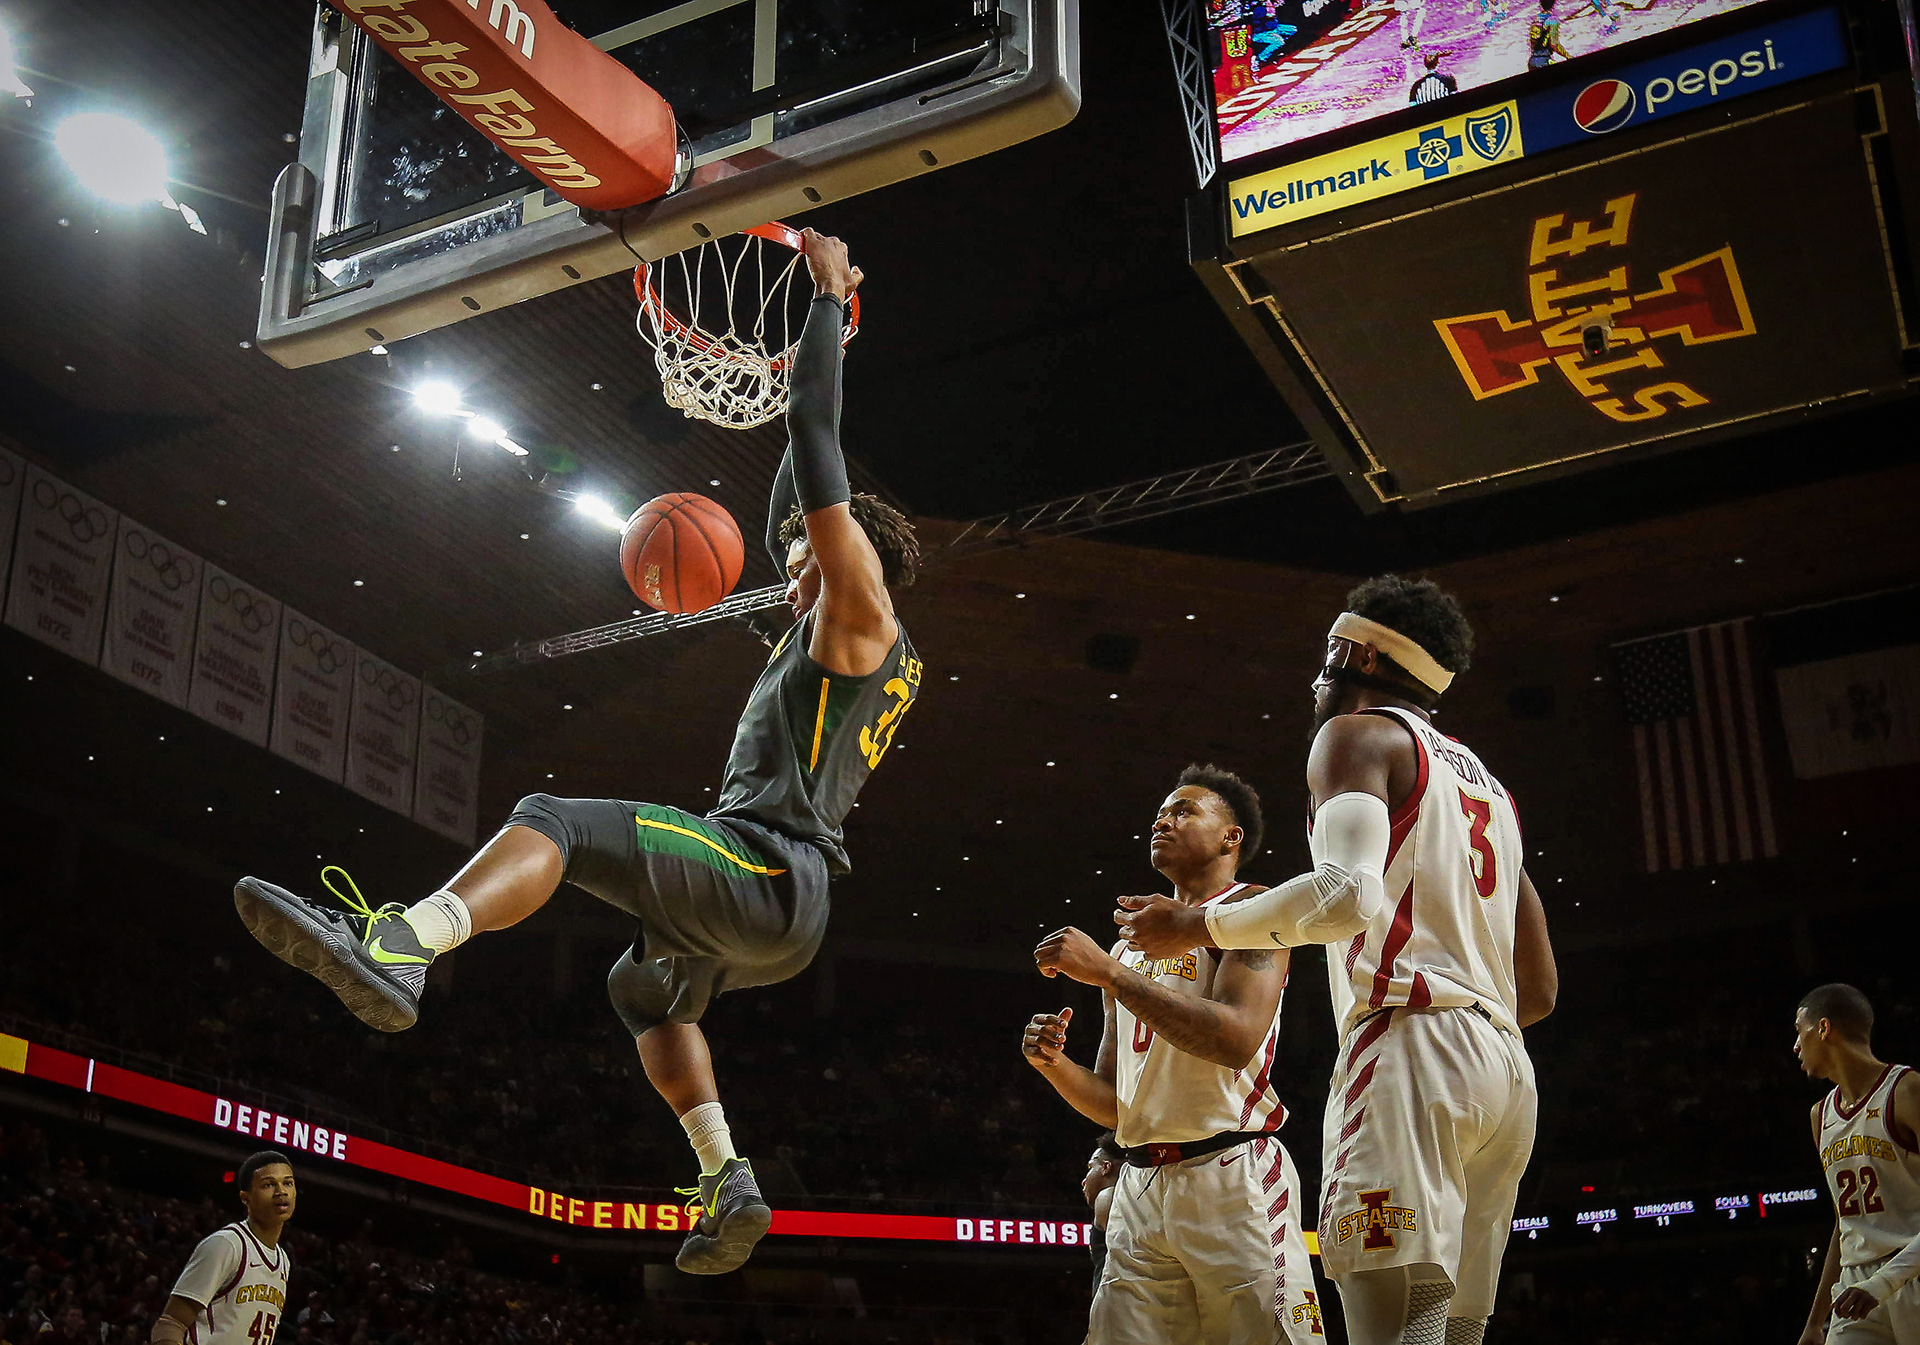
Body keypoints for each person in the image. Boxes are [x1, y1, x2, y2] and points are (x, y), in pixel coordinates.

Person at [233, 228, 923, 1276]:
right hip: (779, 905)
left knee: (550, 817)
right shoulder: (848, 636)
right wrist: (821, 336)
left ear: (853, 553)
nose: (789, 577)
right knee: (642, 991)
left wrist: (825, 301)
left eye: (802, 561)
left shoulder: (860, 609)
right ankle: (728, 1172)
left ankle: (405, 942)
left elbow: (819, 451)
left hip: (767, 867)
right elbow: (799, 476)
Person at [1117, 577, 1558, 1345]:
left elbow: (1346, 894)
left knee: (1391, 1325)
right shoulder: (1492, 790)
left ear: (1358, 653)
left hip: (1412, 1046)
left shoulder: (1356, 736)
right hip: (1506, 1069)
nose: (1317, 680)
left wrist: (1199, 924)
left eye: (1325, 659)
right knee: (1454, 1328)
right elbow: (1542, 988)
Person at [1022, 764, 1323, 1344]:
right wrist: (1055, 1067)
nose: (1164, 820)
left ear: (1231, 838)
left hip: (1232, 1172)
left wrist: (1108, 974)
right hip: (1140, 1182)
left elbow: (1235, 1039)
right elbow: (1116, 1104)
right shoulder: (1128, 947)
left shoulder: (1252, 910)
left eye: (1185, 811)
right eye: (1161, 812)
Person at [1794, 983, 1920, 1344]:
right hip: (1854, 1290)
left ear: (1823, 1028)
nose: (1796, 1046)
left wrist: (1886, 1282)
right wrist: (1816, 1321)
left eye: (1799, 1032)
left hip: (1912, 1269)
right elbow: (1844, 1223)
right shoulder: (1820, 1116)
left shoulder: (1906, 1090)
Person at [149, 1151, 294, 1345]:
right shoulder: (227, 1245)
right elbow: (170, 1323)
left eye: (288, 1183)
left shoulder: (283, 1260)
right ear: (245, 1198)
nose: (281, 1191)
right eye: (268, 1184)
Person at [1526, 0, 1568, 68]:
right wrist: (1568, 56)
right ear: (1554, 3)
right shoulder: (1552, 20)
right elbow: (1554, 44)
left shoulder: (1536, 19)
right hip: (1544, 61)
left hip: (1532, 61)